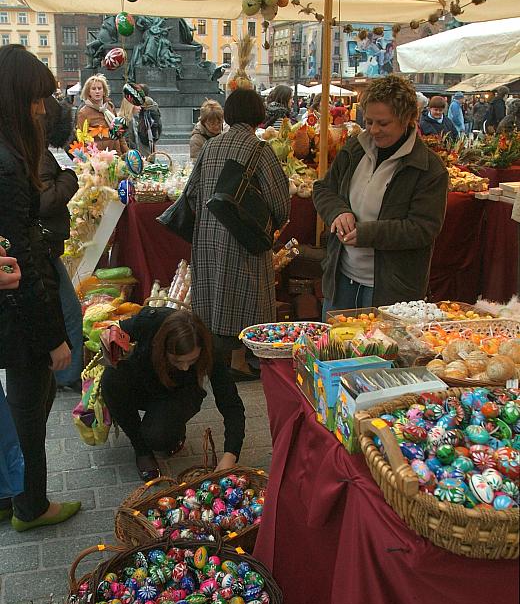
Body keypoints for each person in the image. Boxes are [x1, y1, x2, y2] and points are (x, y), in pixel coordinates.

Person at [0, 44, 81, 531]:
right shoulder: (8, 164)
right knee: (30, 407)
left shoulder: (10, 155)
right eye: (35, 100)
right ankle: (31, 504)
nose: (41, 110)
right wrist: (54, 339)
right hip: (19, 316)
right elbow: (22, 265)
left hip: (13, 309)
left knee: (22, 405)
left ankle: (12, 492)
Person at [313, 74, 448, 316]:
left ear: (406, 119)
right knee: (334, 340)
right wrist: (338, 212)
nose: (374, 130)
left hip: (392, 290)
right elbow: (323, 189)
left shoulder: (429, 168)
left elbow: (423, 228)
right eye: (369, 121)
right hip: (341, 279)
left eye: (383, 123)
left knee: (380, 342)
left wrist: (367, 233)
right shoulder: (355, 148)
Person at [186, 88, 290, 378]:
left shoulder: (210, 147)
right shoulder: (261, 150)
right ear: (259, 114)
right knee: (246, 297)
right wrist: (272, 223)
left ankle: (216, 359)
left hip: (208, 235)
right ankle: (239, 362)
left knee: (215, 292)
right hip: (245, 236)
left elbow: (191, 192)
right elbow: (281, 204)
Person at [101, 306, 244, 480]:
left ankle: (170, 433)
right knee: (111, 378)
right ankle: (142, 449)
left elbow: (230, 403)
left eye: (192, 361)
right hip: (145, 382)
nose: (185, 367)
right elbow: (116, 329)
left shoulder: (211, 347)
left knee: (158, 437)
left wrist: (230, 454)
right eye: (177, 361)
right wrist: (110, 340)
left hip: (180, 394)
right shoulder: (151, 322)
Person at [40, 95, 83, 392]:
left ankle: (61, 374)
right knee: (69, 313)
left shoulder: (34, 152)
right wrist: (69, 178)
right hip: (43, 248)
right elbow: (46, 201)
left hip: (42, 246)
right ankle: (67, 375)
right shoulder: (38, 156)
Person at [76, 74, 128, 155]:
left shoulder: (110, 106)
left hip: (116, 153)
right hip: (98, 157)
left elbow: (119, 132)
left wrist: (127, 152)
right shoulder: (84, 112)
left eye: (99, 88)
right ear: (88, 92)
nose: (97, 91)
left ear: (104, 91)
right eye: (93, 89)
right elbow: (82, 139)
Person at [137, 83, 162, 158]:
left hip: (143, 137)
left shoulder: (143, 106)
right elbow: (159, 126)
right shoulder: (153, 105)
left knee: (145, 160)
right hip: (149, 139)